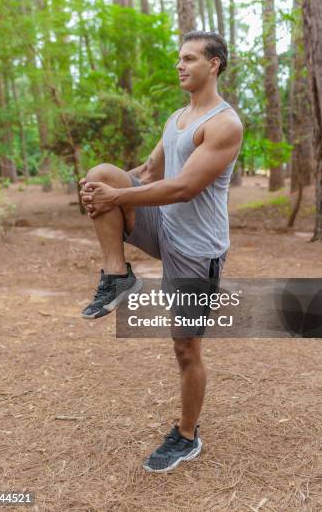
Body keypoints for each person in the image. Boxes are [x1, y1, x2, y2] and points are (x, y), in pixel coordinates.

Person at [79, 30, 243, 473]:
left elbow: (184, 188)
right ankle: (117, 275)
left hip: (197, 250)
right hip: (162, 227)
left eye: (189, 58)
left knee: (185, 348)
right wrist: (102, 194)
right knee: (101, 173)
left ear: (215, 64)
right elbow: (149, 171)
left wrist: (118, 200)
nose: (180, 66)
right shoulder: (178, 117)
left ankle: (187, 436)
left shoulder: (224, 124)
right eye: (179, 59)